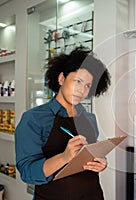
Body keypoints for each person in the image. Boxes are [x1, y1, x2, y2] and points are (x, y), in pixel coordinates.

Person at [15, 46, 111, 200]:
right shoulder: (34, 119)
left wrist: (100, 162)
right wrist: (64, 157)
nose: (82, 90)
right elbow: (27, 173)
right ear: (61, 78)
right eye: (78, 81)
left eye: (88, 86)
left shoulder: (90, 119)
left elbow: (91, 153)